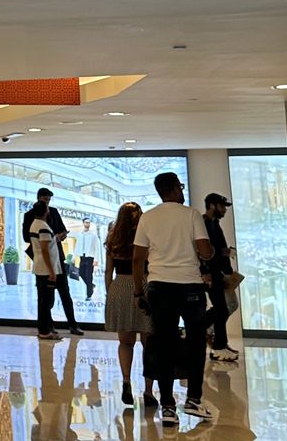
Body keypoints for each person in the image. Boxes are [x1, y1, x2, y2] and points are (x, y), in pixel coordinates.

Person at [132, 172, 215, 427]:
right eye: (180, 187)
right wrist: (210, 252)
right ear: (175, 189)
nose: (182, 191)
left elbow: (138, 258)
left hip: (159, 287)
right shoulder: (191, 214)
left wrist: (138, 292)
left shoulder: (148, 217)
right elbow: (205, 251)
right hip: (190, 287)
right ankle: (193, 400)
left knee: (164, 345)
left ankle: (167, 406)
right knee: (196, 343)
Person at [103, 202, 157, 409]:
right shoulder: (146, 236)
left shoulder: (113, 238)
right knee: (148, 344)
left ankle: (126, 381)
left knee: (125, 343)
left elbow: (108, 270)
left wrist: (110, 292)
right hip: (143, 286)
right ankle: (148, 391)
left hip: (119, 286)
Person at [24, 188, 83, 335]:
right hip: (43, 260)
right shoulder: (30, 216)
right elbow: (27, 237)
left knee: (65, 293)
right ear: (39, 199)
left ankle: (72, 324)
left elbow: (62, 230)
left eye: (49, 200)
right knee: (45, 297)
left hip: (57, 258)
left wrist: (58, 237)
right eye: (45, 200)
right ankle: (46, 326)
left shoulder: (54, 212)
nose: (47, 203)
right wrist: (47, 238)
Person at [203, 193, 239, 361]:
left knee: (224, 307)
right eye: (222, 206)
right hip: (211, 273)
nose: (224, 210)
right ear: (212, 205)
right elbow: (204, 251)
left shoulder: (214, 223)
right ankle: (218, 344)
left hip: (219, 273)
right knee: (222, 308)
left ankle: (219, 343)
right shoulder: (204, 224)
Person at [26, 199, 63, 340]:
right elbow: (45, 250)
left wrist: (55, 238)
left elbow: (45, 244)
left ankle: (44, 329)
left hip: (40, 268)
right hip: (46, 270)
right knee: (46, 302)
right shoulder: (42, 226)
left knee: (44, 301)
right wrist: (52, 272)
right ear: (45, 211)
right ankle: (44, 331)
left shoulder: (35, 224)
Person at [74, 217, 99, 299]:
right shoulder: (80, 234)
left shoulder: (93, 235)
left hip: (90, 257)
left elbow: (96, 248)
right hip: (82, 257)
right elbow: (77, 246)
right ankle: (91, 285)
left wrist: (96, 259)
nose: (87, 224)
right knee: (81, 273)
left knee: (89, 276)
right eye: (86, 222)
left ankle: (89, 295)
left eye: (89, 222)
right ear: (83, 223)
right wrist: (74, 257)